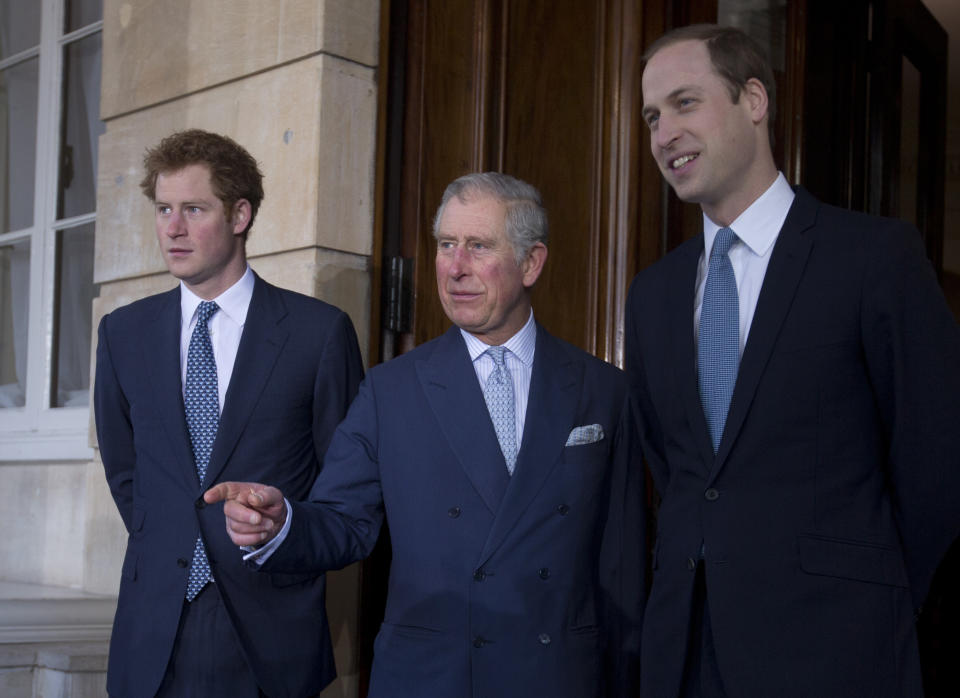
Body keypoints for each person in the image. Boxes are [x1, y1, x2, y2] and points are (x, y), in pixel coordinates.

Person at [206, 172, 645, 697]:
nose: (455, 268)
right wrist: (281, 524)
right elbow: (343, 521)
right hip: (431, 678)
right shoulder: (391, 390)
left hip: (559, 678)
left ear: (531, 263)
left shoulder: (603, 392)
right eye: (445, 245)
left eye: (478, 246)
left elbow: (624, 568)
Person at [628, 23, 960, 698]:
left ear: (755, 100)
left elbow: (938, 465)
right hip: (684, 656)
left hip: (837, 652)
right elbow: (677, 468)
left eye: (685, 103)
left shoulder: (873, 259)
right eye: (652, 116)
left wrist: (874, 598)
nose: (663, 134)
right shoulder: (653, 293)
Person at [94, 129, 363, 698]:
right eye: (164, 209)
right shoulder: (123, 334)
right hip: (151, 635)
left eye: (194, 209)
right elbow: (127, 475)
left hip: (268, 633)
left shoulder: (319, 335)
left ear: (240, 215)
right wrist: (171, 539)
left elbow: (351, 501)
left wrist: (280, 528)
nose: (173, 227)